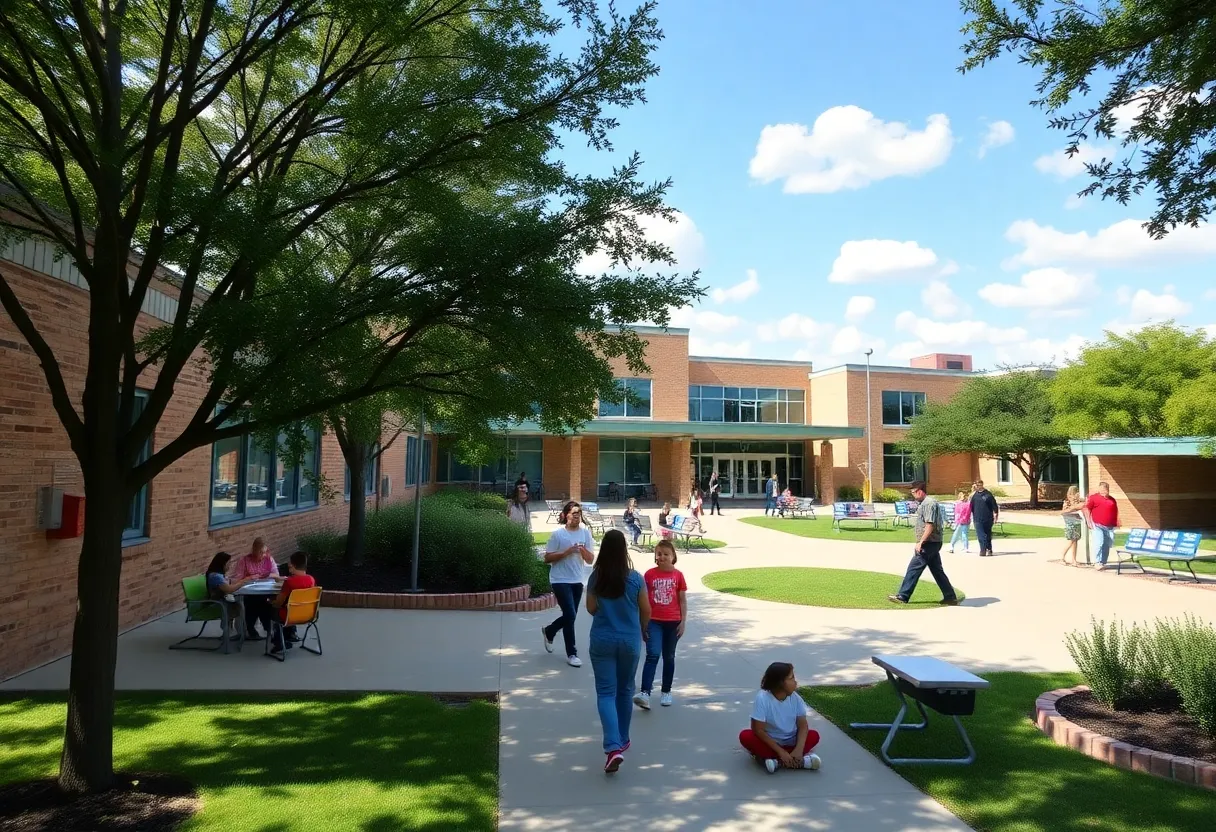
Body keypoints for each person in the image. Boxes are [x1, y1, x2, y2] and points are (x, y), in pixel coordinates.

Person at [585, 529, 650, 774]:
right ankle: (622, 740)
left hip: (602, 640)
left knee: (605, 693)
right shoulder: (636, 579)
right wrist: (643, 628)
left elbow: (590, 608)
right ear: (624, 550)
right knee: (625, 690)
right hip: (629, 642)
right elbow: (647, 609)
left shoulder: (596, 578)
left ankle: (613, 747)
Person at [738, 662, 822, 774]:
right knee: (745, 736)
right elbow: (758, 730)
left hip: (792, 740)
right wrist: (781, 752)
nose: (795, 682)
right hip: (771, 742)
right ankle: (802, 761)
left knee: (813, 735)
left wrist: (799, 749)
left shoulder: (796, 699)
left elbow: (803, 726)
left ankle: (774, 761)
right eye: (791, 678)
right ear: (780, 683)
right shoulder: (763, 698)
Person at [541, 501, 595, 667]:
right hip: (559, 579)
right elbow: (547, 558)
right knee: (570, 615)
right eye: (573, 513)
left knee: (570, 617)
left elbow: (590, 559)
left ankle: (550, 631)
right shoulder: (558, 534)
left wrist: (582, 550)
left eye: (579, 513)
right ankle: (572, 654)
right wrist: (566, 552)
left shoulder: (585, 534)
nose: (577, 516)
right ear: (566, 515)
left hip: (577, 580)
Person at [634, 539, 687, 710]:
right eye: (659, 554)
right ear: (655, 556)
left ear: (673, 557)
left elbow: (682, 600)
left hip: (673, 622)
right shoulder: (649, 575)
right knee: (652, 655)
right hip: (654, 621)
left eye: (666, 554)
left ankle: (666, 691)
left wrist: (683, 621)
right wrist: (643, 622)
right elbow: (642, 600)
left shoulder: (678, 575)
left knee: (669, 656)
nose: (662, 557)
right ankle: (645, 693)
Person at [888, 481, 960, 606]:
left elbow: (929, 524)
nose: (912, 495)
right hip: (933, 542)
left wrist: (921, 542)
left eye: (913, 492)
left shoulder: (928, 503)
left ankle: (903, 595)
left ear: (919, 491)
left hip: (929, 543)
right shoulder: (926, 503)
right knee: (937, 570)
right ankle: (950, 597)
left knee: (914, 568)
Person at [231, 537, 283, 639]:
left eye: (264, 552)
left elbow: (277, 576)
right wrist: (249, 577)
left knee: (263, 601)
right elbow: (237, 579)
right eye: (260, 552)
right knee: (256, 601)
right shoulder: (244, 560)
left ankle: (254, 629)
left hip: (265, 590)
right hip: (249, 592)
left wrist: (270, 575)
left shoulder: (269, 559)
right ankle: (266, 628)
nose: (263, 555)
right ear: (254, 551)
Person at [268, 551, 317, 655]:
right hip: (308, 615)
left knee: (274, 609)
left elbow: (279, 602)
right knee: (290, 607)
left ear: (293, 565)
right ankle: (290, 635)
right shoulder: (311, 580)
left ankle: (279, 642)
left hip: (289, 616)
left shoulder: (289, 582)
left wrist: (271, 601)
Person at [204, 551, 253, 636]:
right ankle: (241, 632)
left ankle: (241, 631)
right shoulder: (215, 576)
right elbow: (229, 589)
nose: (229, 566)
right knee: (241, 605)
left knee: (242, 602)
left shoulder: (217, 575)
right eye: (228, 563)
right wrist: (243, 582)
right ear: (222, 564)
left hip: (221, 600)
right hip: (217, 603)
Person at [1083, 481, 1119, 571]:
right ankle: (1097, 562)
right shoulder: (1094, 498)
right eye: (1102, 489)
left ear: (1108, 489)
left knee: (1107, 544)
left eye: (1105, 489)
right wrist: (1088, 521)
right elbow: (1086, 509)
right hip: (1097, 524)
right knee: (1099, 542)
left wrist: (1117, 521)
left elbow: (1114, 511)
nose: (1103, 491)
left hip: (1110, 526)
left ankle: (1103, 562)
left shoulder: (1112, 499)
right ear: (1099, 489)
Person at [969, 480, 1000, 557]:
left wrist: (996, 514)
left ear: (982, 485)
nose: (978, 486)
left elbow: (994, 505)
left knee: (987, 534)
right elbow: (971, 506)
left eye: (979, 485)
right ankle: (983, 550)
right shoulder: (974, 495)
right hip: (977, 518)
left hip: (987, 518)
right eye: (977, 485)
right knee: (981, 534)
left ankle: (989, 549)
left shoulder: (988, 495)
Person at [1060, 485, 1085, 567]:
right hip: (1070, 523)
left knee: (1075, 541)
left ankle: (1074, 560)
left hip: (1077, 522)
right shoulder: (1067, 502)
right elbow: (1064, 512)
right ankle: (1062, 557)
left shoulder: (1078, 501)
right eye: (1077, 491)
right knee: (1071, 540)